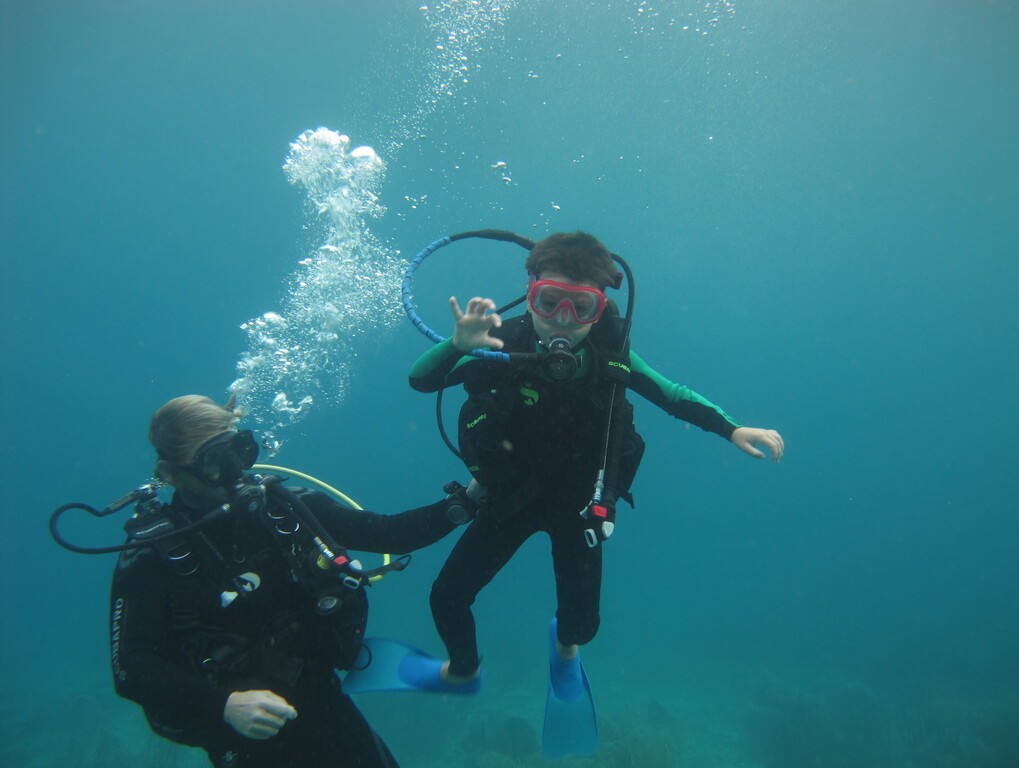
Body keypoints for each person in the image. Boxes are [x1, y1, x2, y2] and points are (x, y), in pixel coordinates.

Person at [408, 231, 785, 697]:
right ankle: (462, 672)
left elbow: (671, 394)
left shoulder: (611, 351)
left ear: (601, 308)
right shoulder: (499, 341)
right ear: (530, 296)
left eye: (582, 307)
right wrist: (458, 344)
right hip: (508, 495)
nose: (563, 320)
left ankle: (565, 653)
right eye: (549, 302)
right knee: (446, 597)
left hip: (580, 502)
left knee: (582, 625)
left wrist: (732, 428)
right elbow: (421, 381)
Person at [110, 395, 475, 768]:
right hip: (247, 731)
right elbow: (130, 667)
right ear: (172, 474)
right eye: (215, 462)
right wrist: (224, 705)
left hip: (320, 698)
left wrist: (468, 500)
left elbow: (389, 534)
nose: (237, 472)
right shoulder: (153, 553)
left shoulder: (283, 508)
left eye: (240, 450)